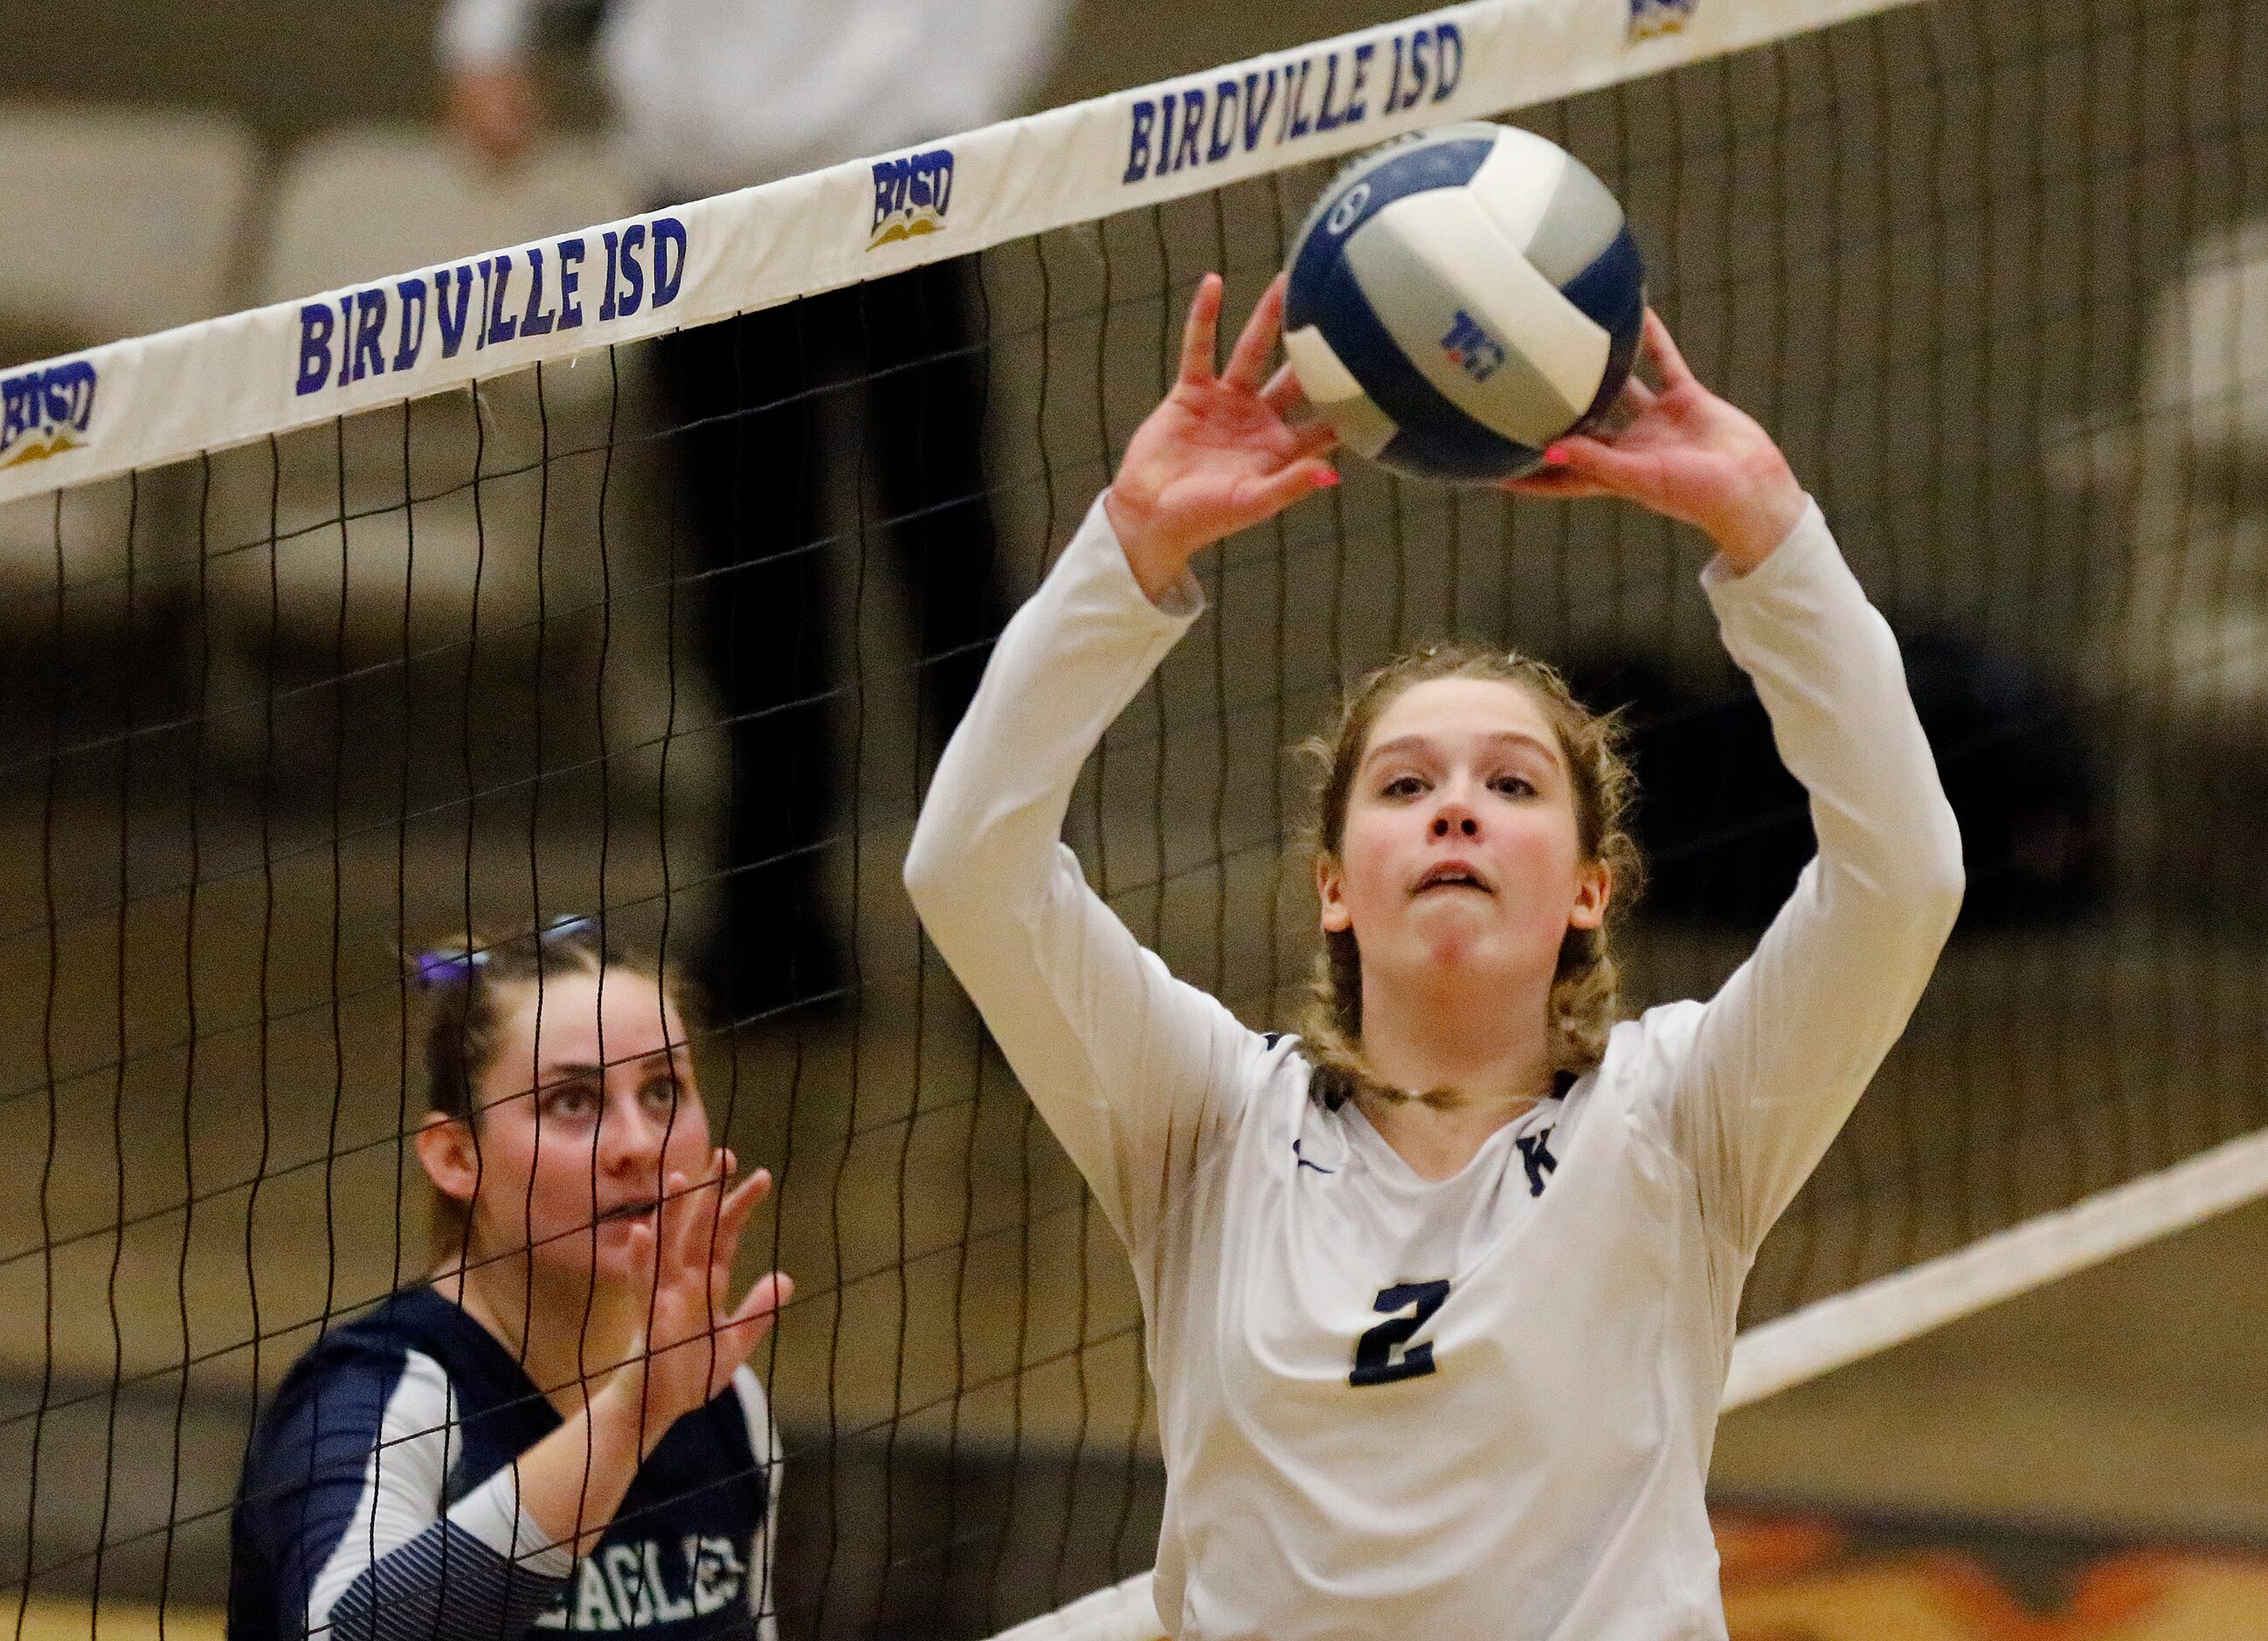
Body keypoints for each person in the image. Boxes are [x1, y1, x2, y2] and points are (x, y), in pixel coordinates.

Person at [902, 274, 1965, 1637]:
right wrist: (1130, 550)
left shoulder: (1681, 1117)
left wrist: (1770, 531)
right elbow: (968, 867)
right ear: (1335, 886)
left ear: (1590, 889)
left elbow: (1903, 877)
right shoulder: (1209, 1121)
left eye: (1513, 786)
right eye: (1405, 785)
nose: (1457, 804)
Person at [437, 0, 1075, 1020]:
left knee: (952, 573)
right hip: (701, 215)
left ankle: (1013, 930)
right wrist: (484, 44)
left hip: (900, 195)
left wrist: (948, 115)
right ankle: (773, 921)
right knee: (748, 581)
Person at [228, 917, 793, 1640]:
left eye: (662, 1091)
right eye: (572, 1102)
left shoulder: (727, 1404)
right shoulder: (380, 1398)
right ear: (456, 1157)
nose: (635, 1144)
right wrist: (631, 1417)